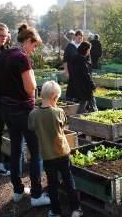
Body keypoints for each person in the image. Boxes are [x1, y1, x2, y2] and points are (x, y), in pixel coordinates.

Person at [0, 24, 50, 206]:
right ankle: (36, 195)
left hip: (7, 108)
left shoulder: (4, 54)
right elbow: (30, 89)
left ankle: (18, 190)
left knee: (16, 149)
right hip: (23, 111)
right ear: (28, 41)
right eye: (34, 46)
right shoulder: (22, 58)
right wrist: (34, 82)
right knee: (36, 152)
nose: (33, 50)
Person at [28, 81, 83, 217]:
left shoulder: (33, 114)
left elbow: (31, 128)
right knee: (68, 180)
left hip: (47, 155)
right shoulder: (59, 112)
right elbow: (63, 125)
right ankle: (76, 209)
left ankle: (55, 211)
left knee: (52, 184)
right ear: (54, 97)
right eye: (57, 98)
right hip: (63, 152)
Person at [0, 23, 10, 176]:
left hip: (3, 99)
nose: (3, 39)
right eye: (0, 36)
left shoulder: (6, 53)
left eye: (5, 36)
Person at [71, 41, 97, 113]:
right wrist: (92, 85)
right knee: (91, 103)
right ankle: (98, 120)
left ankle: (77, 118)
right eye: (89, 49)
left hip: (78, 85)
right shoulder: (83, 60)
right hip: (85, 86)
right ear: (86, 49)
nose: (89, 51)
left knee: (84, 102)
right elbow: (86, 74)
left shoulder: (75, 57)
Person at [63, 29, 84, 101]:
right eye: (79, 38)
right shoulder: (70, 46)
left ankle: (78, 101)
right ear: (75, 37)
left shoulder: (83, 46)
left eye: (81, 38)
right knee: (71, 86)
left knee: (80, 86)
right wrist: (66, 71)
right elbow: (65, 60)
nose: (80, 40)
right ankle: (69, 100)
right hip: (71, 70)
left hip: (81, 71)